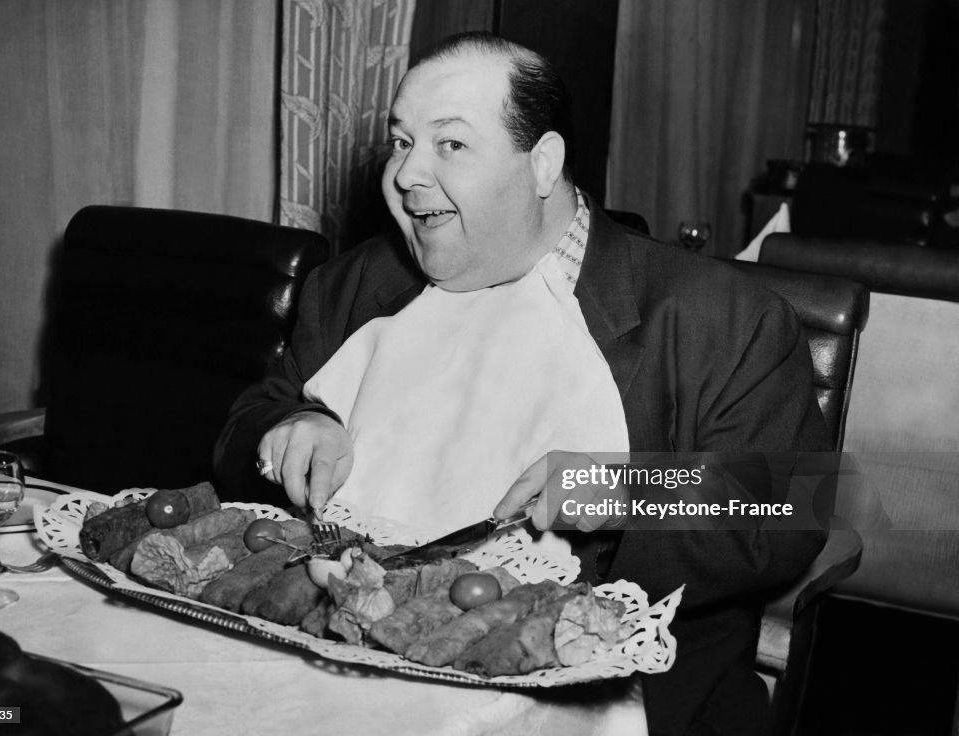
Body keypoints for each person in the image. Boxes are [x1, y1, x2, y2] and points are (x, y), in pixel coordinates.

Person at [215, 32, 830, 736]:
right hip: (334, 669)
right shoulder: (354, 285)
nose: (407, 175)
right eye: (400, 142)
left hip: (606, 697)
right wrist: (285, 429)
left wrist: (628, 490)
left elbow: (802, 502)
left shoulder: (718, 313)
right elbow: (248, 418)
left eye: (450, 145)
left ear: (542, 163)